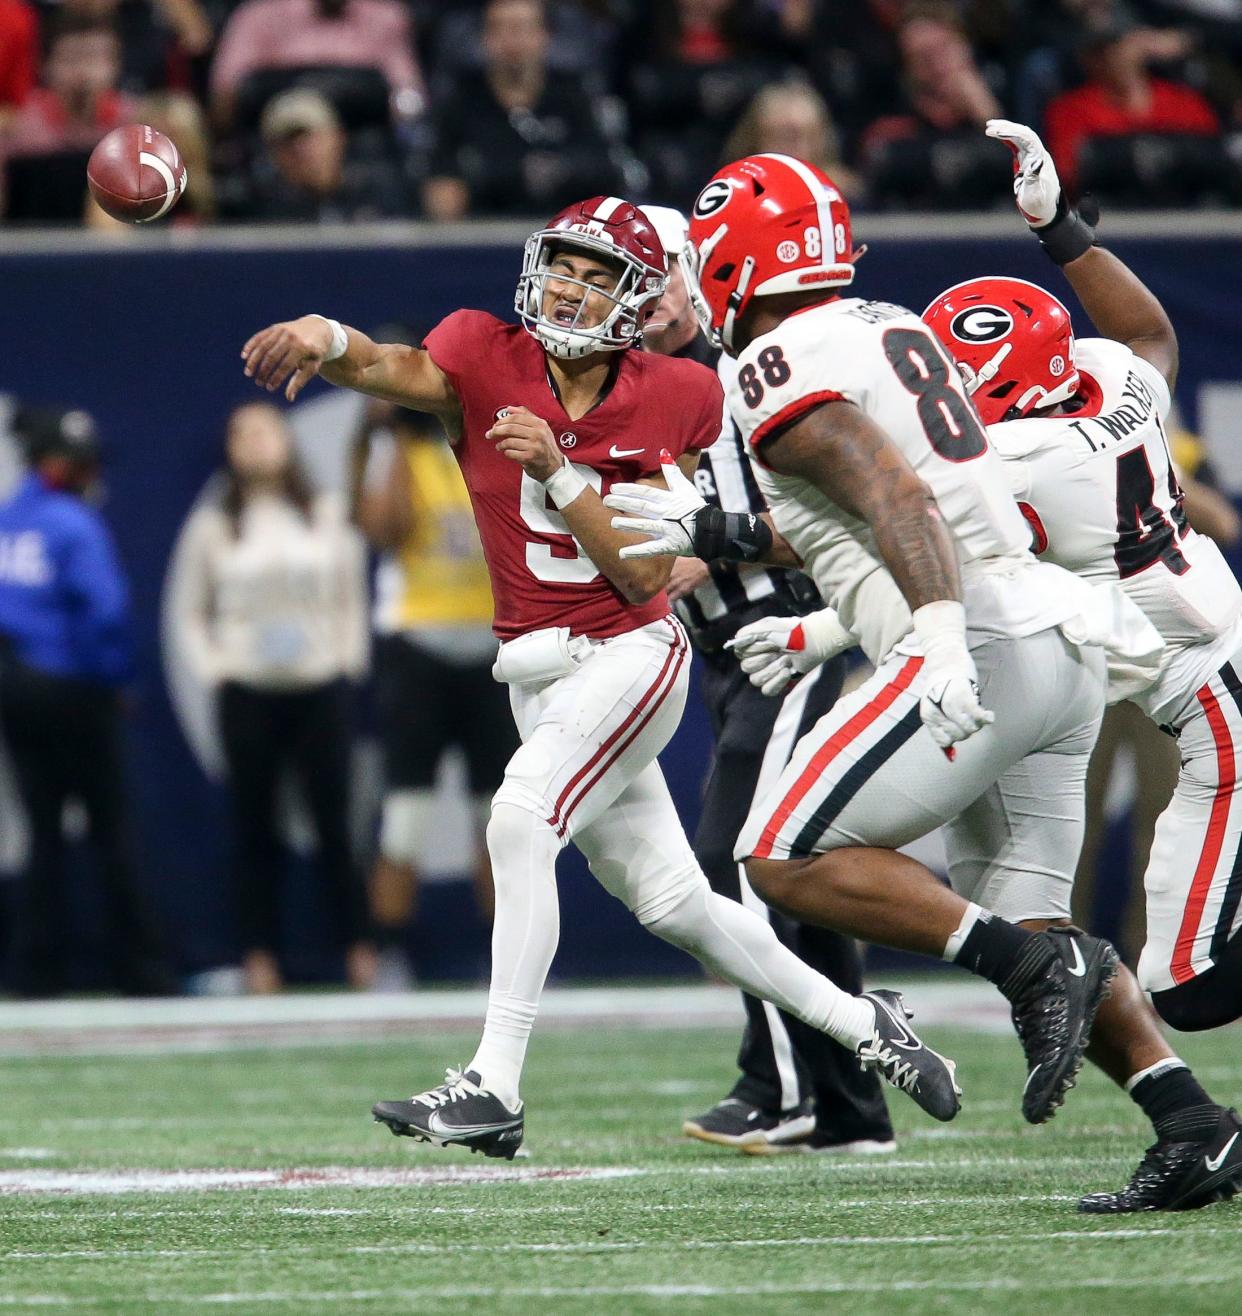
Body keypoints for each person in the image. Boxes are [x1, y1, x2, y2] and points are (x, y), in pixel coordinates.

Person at [240, 193, 964, 1160]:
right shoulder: (482, 354)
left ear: (636, 298)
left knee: (518, 817)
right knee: (680, 909)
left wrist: (561, 473)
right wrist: (320, 332)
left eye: (597, 276)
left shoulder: (681, 395)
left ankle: (493, 1085)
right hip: (536, 671)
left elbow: (648, 575)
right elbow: (383, 365)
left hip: (630, 653)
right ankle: (869, 1028)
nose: (571, 291)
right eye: (563, 268)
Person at [605, 154, 1136, 1155]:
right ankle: (1188, 1116)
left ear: (727, 265)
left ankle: (1019, 971)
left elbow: (898, 499)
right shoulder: (884, 322)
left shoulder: (772, 363)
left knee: (776, 855)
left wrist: (937, 638)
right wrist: (719, 530)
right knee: (1029, 904)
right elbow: (856, 509)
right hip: (1057, 636)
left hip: (974, 636)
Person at [922, 118, 1242, 1211]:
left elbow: (906, 523)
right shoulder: (1106, 380)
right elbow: (1150, 333)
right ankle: (1192, 1131)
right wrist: (1061, 231)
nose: (944, 413)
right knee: (1086, 938)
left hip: (1213, 703)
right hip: (1165, 678)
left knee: (1191, 983)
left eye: (960, 392)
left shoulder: (1024, 458)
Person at [640, 203, 894, 1156]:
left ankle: (792, 1087)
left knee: (739, 856)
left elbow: (851, 505)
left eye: (667, 272)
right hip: (718, 649)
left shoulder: (751, 373)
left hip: (789, 629)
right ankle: (847, 1104)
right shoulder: (632, 386)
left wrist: (717, 542)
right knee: (790, 875)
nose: (651, 296)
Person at [171, 401, 372, 994]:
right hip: (248, 694)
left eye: (265, 430)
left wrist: (344, 663)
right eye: (241, 433)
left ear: (287, 442)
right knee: (254, 829)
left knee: (336, 826)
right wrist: (217, 669)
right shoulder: (215, 526)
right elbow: (189, 612)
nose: (254, 441)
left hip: (319, 690)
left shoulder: (325, 516)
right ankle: (261, 959)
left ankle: (361, 953)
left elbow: (350, 599)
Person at [0, 405, 176, 998]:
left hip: (15, 687)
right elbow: (106, 615)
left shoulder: (7, 519)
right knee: (110, 830)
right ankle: (140, 969)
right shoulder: (73, 523)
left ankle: (37, 972)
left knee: (43, 834)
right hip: (73, 689)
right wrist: (115, 681)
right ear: (52, 464)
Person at [349, 392, 518, 989]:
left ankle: (506, 960)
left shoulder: (487, 447)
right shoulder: (392, 453)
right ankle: (388, 951)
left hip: (490, 650)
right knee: (406, 817)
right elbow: (384, 530)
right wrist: (391, 434)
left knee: (499, 818)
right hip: (416, 647)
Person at [422, 0, 637, 222]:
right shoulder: (461, 104)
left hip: (566, 236)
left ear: (545, 36)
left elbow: (607, 176)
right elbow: (442, 196)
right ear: (484, 38)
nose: (512, 40)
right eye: (500, 28)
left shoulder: (573, 97)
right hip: (486, 237)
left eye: (522, 28)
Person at [209, 0, 425, 130]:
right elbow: (226, 95)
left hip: (364, 145)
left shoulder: (386, 17)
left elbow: (409, 97)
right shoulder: (259, 16)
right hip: (278, 142)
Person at [224, 88, 410, 223]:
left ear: (338, 138)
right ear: (273, 153)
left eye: (309, 137)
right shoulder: (260, 214)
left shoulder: (382, 196)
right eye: (287, 141)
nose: (300, 149)